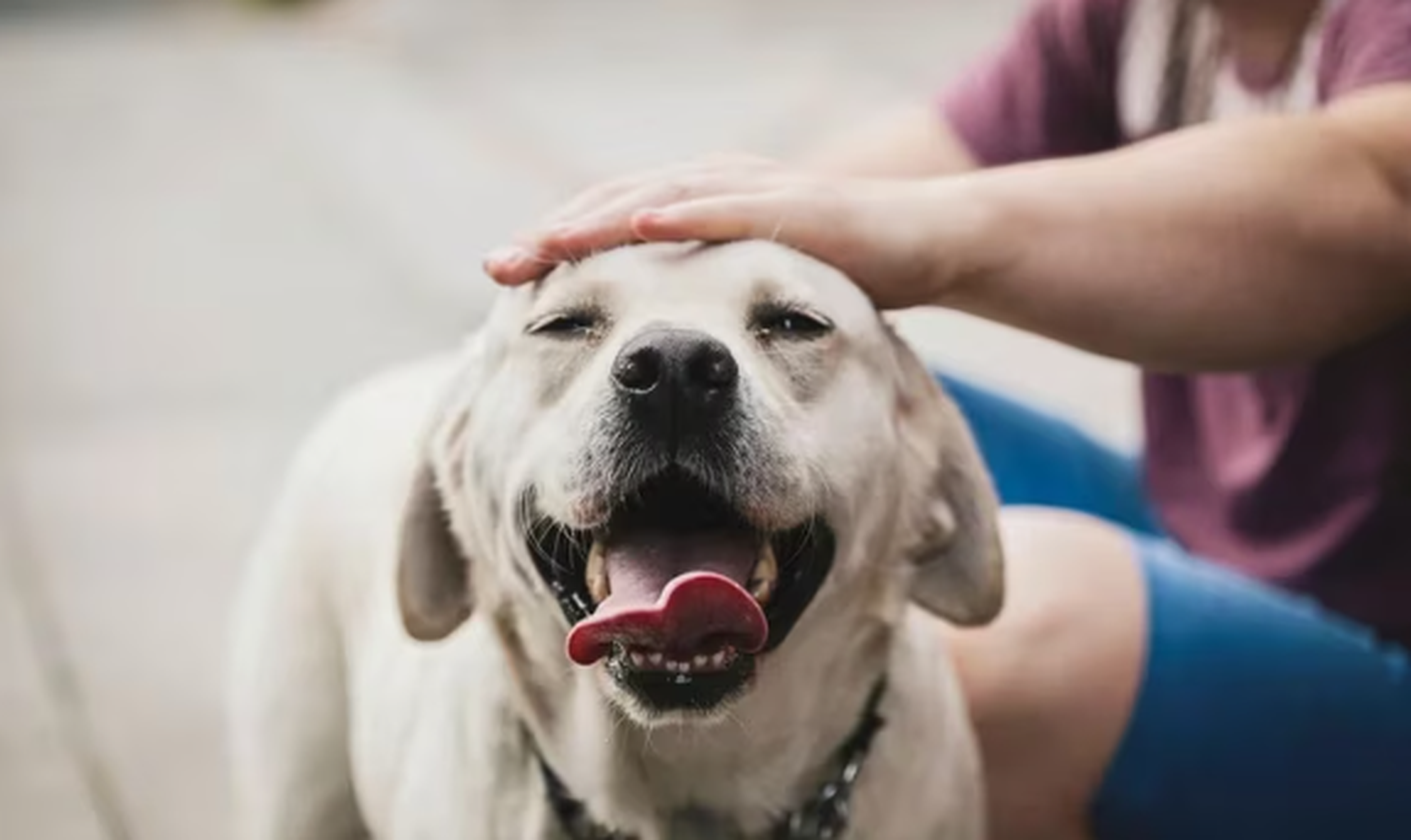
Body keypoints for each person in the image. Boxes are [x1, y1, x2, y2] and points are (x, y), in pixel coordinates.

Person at [482, 0, 1411, 838]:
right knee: (843, 398)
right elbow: (838, 201)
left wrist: (933, 237)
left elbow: (1381, 185)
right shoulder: (1136, 20)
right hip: (1209, 526)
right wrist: (597, 318)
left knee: (1029, 635)